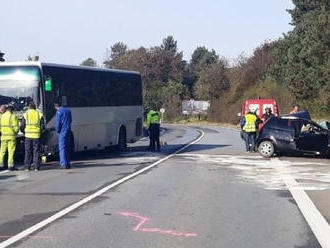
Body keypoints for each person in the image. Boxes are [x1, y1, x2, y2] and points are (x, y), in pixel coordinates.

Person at [22, 102, 45, 171]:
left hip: (28, 135)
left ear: (29, 107)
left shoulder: (25, 114)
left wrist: (24, 131)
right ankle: (36, 167)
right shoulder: (39, 114)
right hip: (36, 135)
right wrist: (40, 131)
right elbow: (42, 126)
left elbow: (22, 125)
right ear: (35, 107)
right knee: (36, 151)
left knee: (28, 151)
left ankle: (27, 167)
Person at [0, 105, 19, 170]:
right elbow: (16, 127)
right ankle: (10, 166)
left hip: (3, 136)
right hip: (11, 136)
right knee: (11, 151)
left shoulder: (2, 116)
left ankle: (1, 165)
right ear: (11, 110)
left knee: (2, 151)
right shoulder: (13, 116)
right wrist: (15, 133)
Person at [54, 102, 72, 169]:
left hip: (62, 132)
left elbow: (58, 123)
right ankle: (68, 163)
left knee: (62, 148)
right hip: (68, 130)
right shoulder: (68, 110)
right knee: (67, 148)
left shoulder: (59, 112)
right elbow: (70, 120)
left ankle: (63, 164)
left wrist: (57, 130)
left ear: (56, 107)